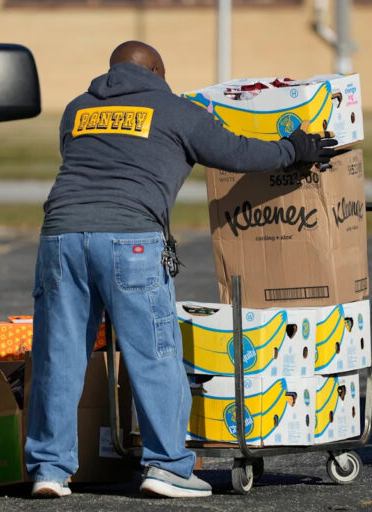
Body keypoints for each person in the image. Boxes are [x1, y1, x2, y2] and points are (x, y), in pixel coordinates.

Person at [25, 40, 337, 499]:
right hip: (129, 238)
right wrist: (295, 149)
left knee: (59, 355)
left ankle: (49, 470)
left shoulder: (77, 109)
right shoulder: (174, 109)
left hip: (60, 238)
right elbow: (237, 152)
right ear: (157, 69)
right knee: (153, 352)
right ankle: (168, 466)